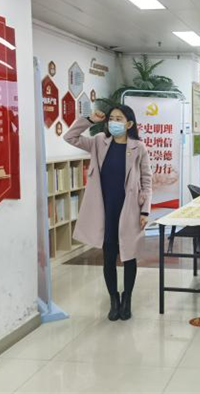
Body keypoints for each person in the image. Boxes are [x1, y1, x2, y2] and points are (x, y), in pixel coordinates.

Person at [65, 105, 152, 322]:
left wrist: (145, 210)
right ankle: (114, 299)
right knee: (109, 256)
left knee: (129, 256)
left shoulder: (138, 147)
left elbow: (146, 180)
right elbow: (70, 137)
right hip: (105, 208)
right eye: (111, 118)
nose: (114, 122)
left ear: (129, 124)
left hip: (129, 209)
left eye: (119, 119)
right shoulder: (98, 142)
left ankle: (127, 298)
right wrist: (89, 120)